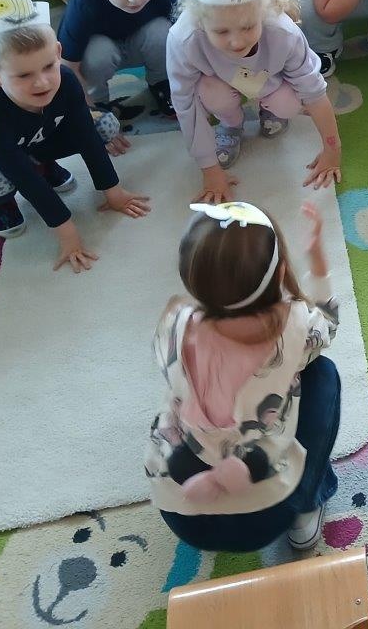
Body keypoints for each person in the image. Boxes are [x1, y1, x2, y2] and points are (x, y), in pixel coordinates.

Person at [145, 200, 342, 553]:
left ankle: (199, 467)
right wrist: (318, 263)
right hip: (267, 512)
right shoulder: (294, 326)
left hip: (181, 512)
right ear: (280, 274)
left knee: (177, 398)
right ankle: (305, 510)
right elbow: (328, 322)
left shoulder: (173, 321)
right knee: (322, 374)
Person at [0, 0, 150, 261]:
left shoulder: (66, 81)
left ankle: (44, 164)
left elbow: (86, 136)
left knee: (101, 125)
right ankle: (2, 204)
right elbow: (23, 176)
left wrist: (114, 192)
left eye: (49, 66)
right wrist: (68, 234)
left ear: (58, 53)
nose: (42, 82)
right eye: (24, 75)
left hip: (33, 135)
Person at [167, 0, 342, 205]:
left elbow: (313, 91)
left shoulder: (284, 33)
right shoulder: (183, 39)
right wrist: (209, 170)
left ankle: (270, 111)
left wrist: (332, 149)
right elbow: (186, 103)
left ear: (263, 13)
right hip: (218, 85)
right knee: (209, 93)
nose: (237, 42)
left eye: (248, 27)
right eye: (222, 31)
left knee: (287, 103)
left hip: (269, 82)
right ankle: (231, 124)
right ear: (200, 23)